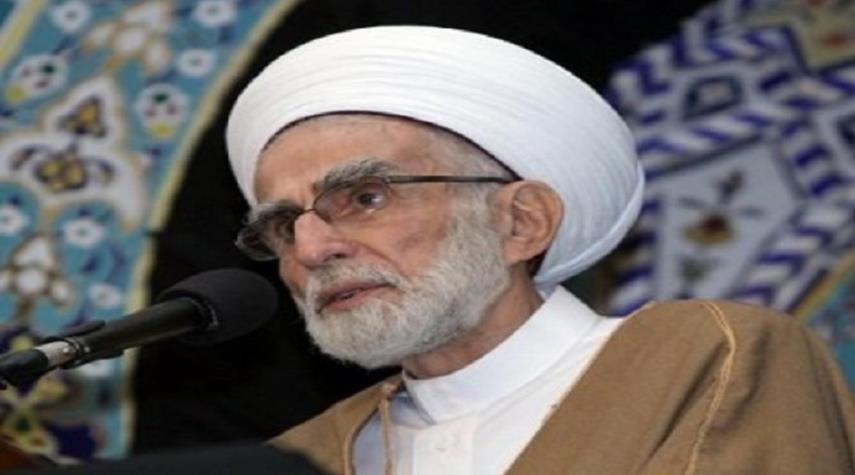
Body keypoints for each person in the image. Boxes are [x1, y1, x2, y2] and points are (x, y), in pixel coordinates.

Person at [224, 26, 855, 474]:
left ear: (522, 222)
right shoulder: (303, 456)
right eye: (284, 226)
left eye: (365, 198)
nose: (311, 248)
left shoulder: (702, 358)